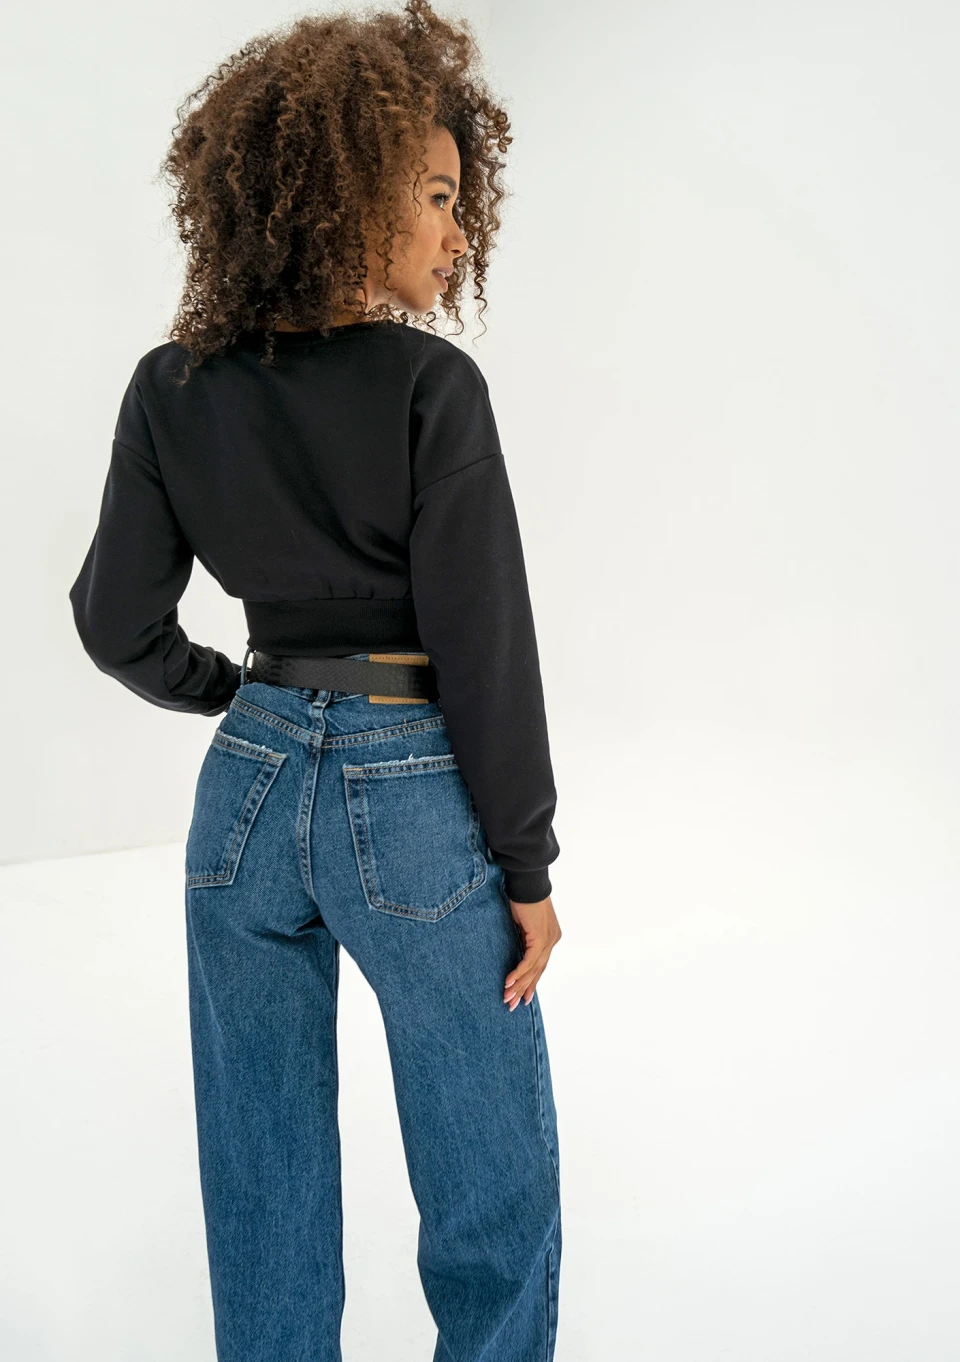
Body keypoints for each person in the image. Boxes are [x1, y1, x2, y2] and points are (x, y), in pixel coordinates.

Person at [68, 3, 563, 1358]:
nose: (459, 232)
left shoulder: (171, 388)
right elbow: (486, 650)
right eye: (439, 195)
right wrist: (527, 867)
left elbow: (113, 620)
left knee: (261, 1170)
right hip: (411, 793)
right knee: (487, 1168)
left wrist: (233, 694)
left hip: (244, 793)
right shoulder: (430, 387)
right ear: (348, 190)